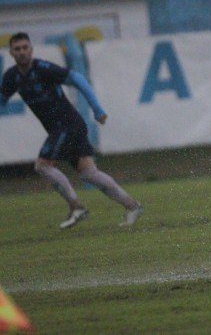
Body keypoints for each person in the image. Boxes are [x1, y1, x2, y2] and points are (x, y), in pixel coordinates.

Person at [0, 32, 143, 229]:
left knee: (42, 166)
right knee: (89, 174)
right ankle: (133, 206)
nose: (22, 52)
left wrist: (97, 109)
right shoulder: (11, 77)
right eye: (18, 49)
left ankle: (76, 207)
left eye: (25, 48)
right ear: (11, 53)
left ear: (31, 50)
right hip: (66, 127)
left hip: (67, 125)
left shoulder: (43, 68)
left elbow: (78, 79)